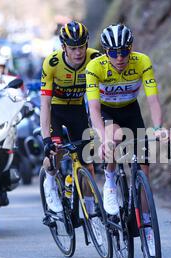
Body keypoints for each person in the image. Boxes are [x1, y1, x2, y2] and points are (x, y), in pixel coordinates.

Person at [85, 24, 169, 217]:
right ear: (106, 52)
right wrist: (103, 138)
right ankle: (110, 182)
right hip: (105, 111)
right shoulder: (94, 67)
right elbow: (94, 108)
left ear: (130, 48)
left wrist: (158, 127)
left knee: (144, 172)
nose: (120, 58)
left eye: (124, 51)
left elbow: (153, 100)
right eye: (114, 53)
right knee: (115, 137)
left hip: (130, 110)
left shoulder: (142, 61)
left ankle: (146, 224)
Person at [40, 20, 101, 218]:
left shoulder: (95, 58)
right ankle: (49, 183)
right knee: (55, 152)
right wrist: (46, 139)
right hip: (56, 111)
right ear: (63, 47)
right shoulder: (52, 63)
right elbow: (45, 105)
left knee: (88, 162)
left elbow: (101, 97)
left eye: (82, 46)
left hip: (77, 110)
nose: (78, 52)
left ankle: (90, 209)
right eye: (73, 48)